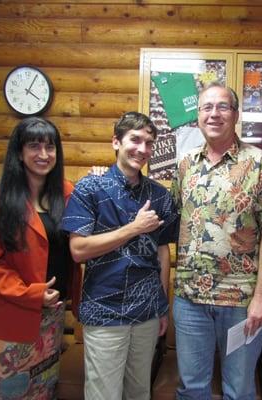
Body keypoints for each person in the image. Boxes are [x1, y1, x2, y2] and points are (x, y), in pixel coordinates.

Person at [171, 82, 262, 399]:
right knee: (191, 388)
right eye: (207, 107)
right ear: (198, 116)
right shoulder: (184, 165)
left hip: (241, 301)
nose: (214, 113)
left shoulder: (260, 162)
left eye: (222, 106)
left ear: (235, 114)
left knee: (240, 389)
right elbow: (174, 216)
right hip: (190, 299)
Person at [62, 111, 178, 400]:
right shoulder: (90, 187)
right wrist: (133, 228)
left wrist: (162, 305)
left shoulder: (159, 196)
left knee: (139, 392)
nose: (142, 149)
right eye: (135, 140)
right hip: (105, 309)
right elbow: (78, 251)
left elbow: (162, 251)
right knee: (104, 395)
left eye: (149, 143)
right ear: (116, 142)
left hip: (146, 312)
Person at [0, 117, 81, 399]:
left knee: (44, 389)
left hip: (54, 315)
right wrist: (32, 294)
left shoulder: (68, 194)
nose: (44, 155)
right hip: (14, 312)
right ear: (19, 152)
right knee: (10, 392)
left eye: (50, 147)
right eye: (34, 146)